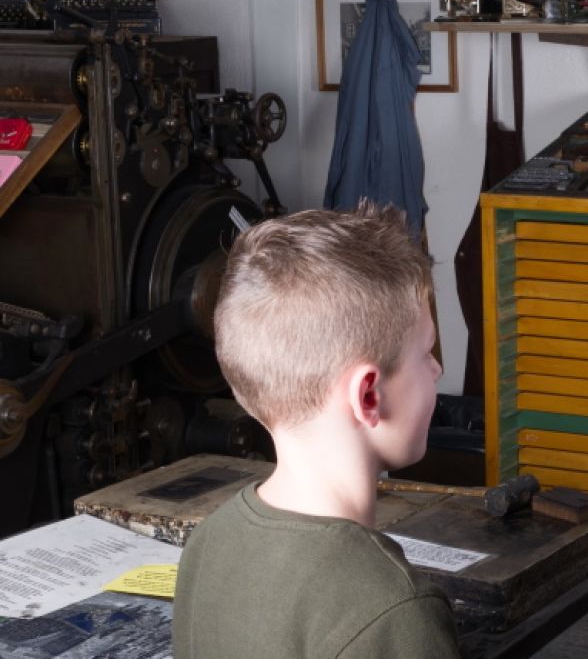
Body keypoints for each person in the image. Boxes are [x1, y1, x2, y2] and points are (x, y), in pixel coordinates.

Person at [172, 203, 459, 658]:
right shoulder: (392, 609)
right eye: (426, 352)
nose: (438, 369)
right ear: (368, 396)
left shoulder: (210, 541)